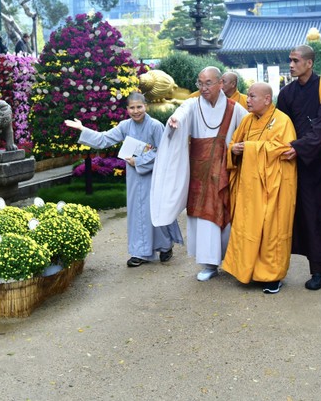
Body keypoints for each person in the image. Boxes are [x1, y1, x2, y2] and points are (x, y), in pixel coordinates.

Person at [150, 66, 247, 281]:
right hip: (200, 173)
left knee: (228, 214)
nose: (203, 88)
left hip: (226, 170)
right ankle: (209, 264)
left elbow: (249, 126)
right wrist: (174, 121)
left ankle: (230, 261)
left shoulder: (235, 108)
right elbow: (181, 113)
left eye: (208, 83)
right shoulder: (192, 105)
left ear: (220, 82)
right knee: (203, 219)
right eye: (200, 83)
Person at [66, 93, 183, 267]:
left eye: (139, 107)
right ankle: (140, 252)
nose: (136, 111)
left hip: (153, 175)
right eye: (132, 108)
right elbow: (104, 139)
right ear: (127, 109)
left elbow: (163, 151)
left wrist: (140, 161)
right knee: (137, 213)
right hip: (135, 177)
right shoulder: (125, 126)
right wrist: (83, 129)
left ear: (146, 106)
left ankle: (165, 246)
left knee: (155, 211)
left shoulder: (155, 126)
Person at [277, 45, 321, 291]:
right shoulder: (286, 94)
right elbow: (281, 126)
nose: (291, 65)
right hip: (295, 161)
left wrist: (300, 146)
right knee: (305, 215)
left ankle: (320, 269)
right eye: (290, 60)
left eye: (295, 60)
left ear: (309, 63)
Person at [222, 83, 297, 294]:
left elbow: (286, 150)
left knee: (271, 230)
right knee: (248, 228)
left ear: (267, 99)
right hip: (249, 187)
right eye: (248, 96)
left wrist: (251, 148)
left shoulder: (282, 121)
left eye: (253, 96)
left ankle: (272, 276)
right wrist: (234, 150)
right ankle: (248, 270)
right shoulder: (247, 120)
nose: (248, 100)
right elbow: (234, 144)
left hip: (274, 187)